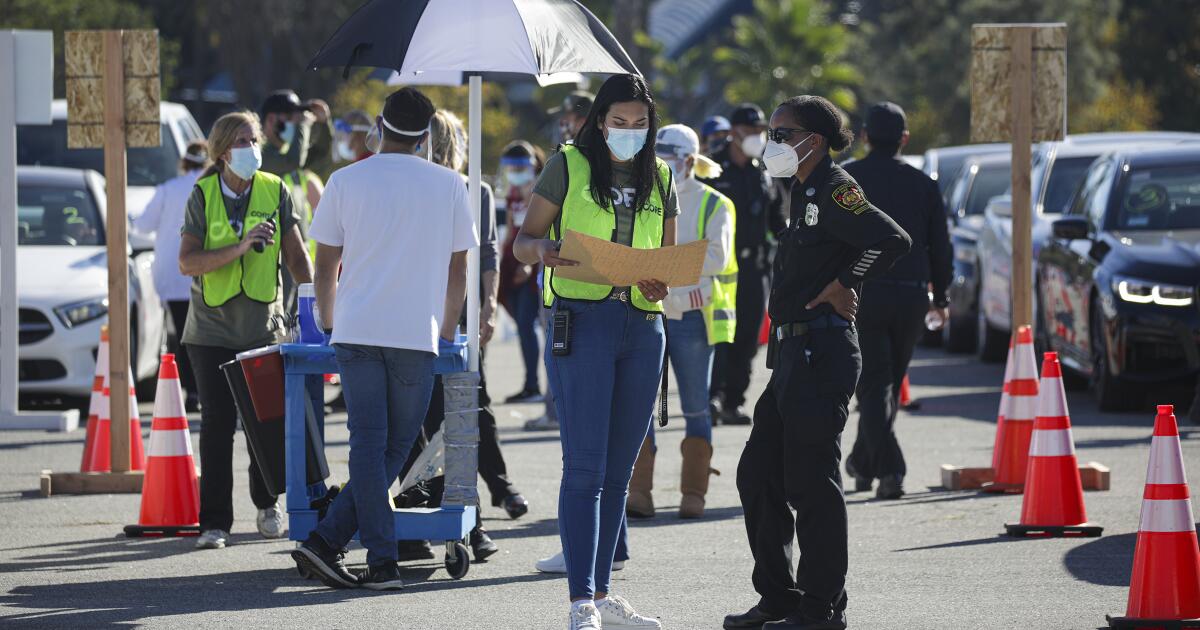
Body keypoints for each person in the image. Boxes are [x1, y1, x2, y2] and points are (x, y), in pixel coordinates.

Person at [725, 96, 911, 630]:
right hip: (792, 355)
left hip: (821, 351)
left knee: (811, 483)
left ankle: (821, 607)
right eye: (772, 132)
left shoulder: (834, 187)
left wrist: (846, 282)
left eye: (783, 134)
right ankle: (778, 598)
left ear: (816, 140)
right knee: (757, 474)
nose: (772, 142)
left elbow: (891, 239)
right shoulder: (800, 188)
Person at [291, 87, 476, 591]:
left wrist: (329, 320)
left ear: (379, 124)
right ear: (427, 134)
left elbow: (325, 260)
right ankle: (364, 554)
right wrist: (447, 328)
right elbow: (459, 269)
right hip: (414, 332)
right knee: (392, 447)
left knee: (369, 445)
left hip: (355, 327)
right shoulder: (450, 184)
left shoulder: (345, 179)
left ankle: (343, 547)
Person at [514, 73, 673, 630]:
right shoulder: (567, 164)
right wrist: (547, 249)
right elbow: (522, 242)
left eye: (639, 123)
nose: (629, 132)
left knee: (619, 471)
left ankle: (603, 593)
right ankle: (580, 601)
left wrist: (659, 282)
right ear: (599, 122)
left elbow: (666, 259)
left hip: (642, 327)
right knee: (584, 468)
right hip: (581, 322)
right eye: (618, 122)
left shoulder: (663, 176)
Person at [394, 110, 528, 563]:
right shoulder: (411, 187)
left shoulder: (476, 191)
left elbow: (486, 252)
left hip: (459, 316)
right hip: (414, 314)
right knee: (419, 416)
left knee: (464, 410)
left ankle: (471, 516)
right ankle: (418, 512)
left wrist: (487, 307)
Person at [177, 112, 314, 551]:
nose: (251, 147)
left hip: (261, 329)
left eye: (253, 139)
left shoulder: (275, 189)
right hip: (210, 331)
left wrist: (313, 308)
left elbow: (296, 258)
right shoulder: (202, 194)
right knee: (217, 426)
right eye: (241, 140)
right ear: (221, 152)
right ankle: (214, 523)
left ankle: (267, 502)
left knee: (266, 424)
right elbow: (187, 262)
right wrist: (238, 247)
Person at [843, 102, 952, 500]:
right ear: (904, 139)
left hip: (862, 292)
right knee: (883, 385)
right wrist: (940, 296)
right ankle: (879, 466)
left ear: (865, 137)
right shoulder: (924, 184)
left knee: (875, 385)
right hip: (911, 296)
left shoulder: (847, 179)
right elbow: (941, 246)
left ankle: (869, 462)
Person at [627, 124, 736, 520]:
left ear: (690, 160)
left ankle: (694, 493)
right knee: (640, 405)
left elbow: (716, 258)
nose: (661, 165)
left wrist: (660, 270)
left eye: (670, 156)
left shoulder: (714, 204)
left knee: (695, 407)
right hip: (648, 311)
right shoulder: (643, 198)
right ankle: (639, 491)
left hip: (691, 315)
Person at [703, 103, 788, 426]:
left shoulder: (763, 171)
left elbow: (777, 218)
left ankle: (733, 402)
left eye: (759, 131)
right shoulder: (713, 168)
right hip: (719, 266)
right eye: (750, 131)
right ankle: (711, 396)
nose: (756, 136)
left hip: (755, 268)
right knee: (719, 333)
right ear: (734, 132)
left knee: (748, 336)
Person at [134, 139, 209, 411]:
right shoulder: (214, 187)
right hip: (209, 272)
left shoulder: (167, 190)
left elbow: (142, 227)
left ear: (184, 161)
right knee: (204, 335)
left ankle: (189, 391)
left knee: (181, 333)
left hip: (174, 275)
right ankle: (202, 390)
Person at [498, 140, 548, 404]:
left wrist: (528, 264)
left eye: (520, 167)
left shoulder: (540, 189)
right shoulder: (513, 192)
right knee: (520, 322)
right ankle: (529, 383)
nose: (515, 172)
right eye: (511, 167)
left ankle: (533, 385)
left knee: (527, 324)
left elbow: (542, 229)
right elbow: (509, 230)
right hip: (512, 261)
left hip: (532, 264)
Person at [258, 90, 334, 179]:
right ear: (271, 119)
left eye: (297, 118)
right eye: (290, 117)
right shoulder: (259, 154)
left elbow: (320, 151)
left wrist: (323, 123)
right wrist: (302, 125)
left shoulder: (289, 151)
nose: (295, 122)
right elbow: (293, 162)